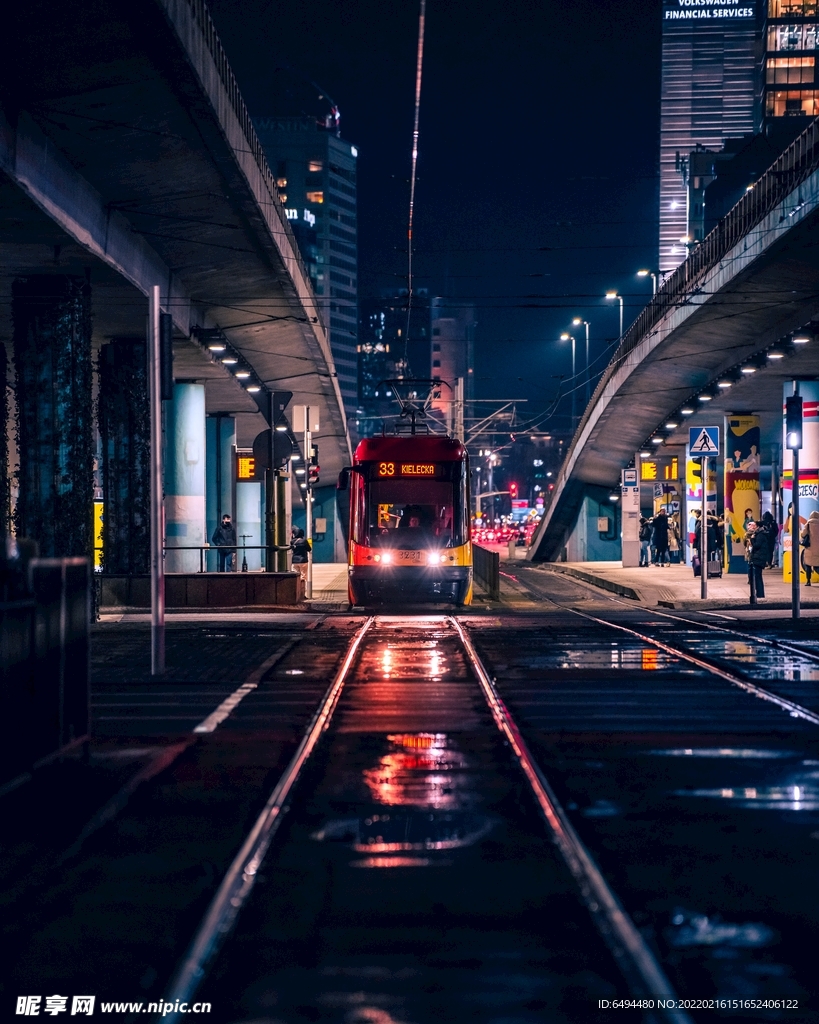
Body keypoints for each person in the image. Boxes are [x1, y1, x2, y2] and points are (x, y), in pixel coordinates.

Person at [744, 521, 767, 601]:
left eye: (755, 526)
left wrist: (753, 539)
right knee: (757, 577)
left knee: (758, 577)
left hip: (758, 558)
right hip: (758, 557)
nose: (754, 528)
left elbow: (757, 545)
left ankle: (760, 594)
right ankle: (758, 594)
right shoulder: (760, 534)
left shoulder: (760, 535)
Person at [800, 509, 819, 586]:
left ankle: (808, 581)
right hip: (818, 548)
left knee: (808, 565)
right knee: (817, 565)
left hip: (810, 548)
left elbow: (803, 534)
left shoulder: (808, 524)